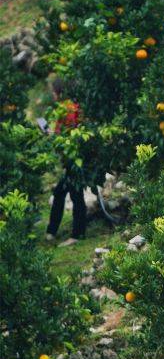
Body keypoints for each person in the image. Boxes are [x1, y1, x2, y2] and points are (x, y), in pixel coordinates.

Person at [45, 77, 90, 240]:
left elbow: (65, 134)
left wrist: (50, 135)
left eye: (53, 92)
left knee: (75, 195)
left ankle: (77, 234)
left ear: (59, 92)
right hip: (74, 158)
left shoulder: (66, 109)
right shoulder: (72, 107)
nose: (52, 95)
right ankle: (52, 231)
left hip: (74, 159)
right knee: (61, 192)